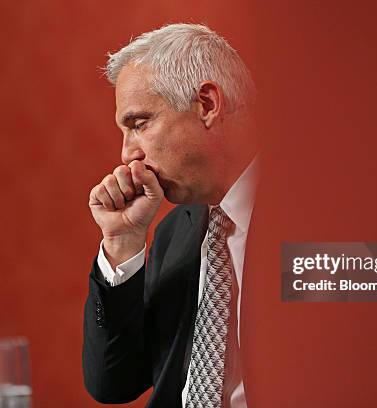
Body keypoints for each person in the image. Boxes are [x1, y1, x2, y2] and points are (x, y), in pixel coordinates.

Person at [82, 23, 258, 408]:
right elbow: (113, 383)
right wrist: (122, 243)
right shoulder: (176, 231)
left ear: (207, 105)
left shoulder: (318, 211)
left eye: (139, 124)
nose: (128, 154)